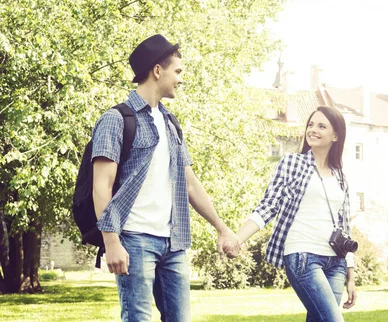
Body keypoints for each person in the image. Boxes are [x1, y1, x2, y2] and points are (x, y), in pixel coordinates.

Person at [91, 34, 240, 322]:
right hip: (134, 239)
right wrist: (111, 242)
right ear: (157, 71)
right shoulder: (116, 119)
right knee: (138, 318)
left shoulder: (170, 123)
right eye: (178, 72)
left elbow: (189, 182)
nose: (181, 79)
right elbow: (102, 186)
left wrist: (221, 227)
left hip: (173, 243)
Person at [235, 106, 358, 322]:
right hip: (303, 256)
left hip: (336, 262)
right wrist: (237, 239)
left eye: (321, 126)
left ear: (336, 135)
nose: (313, 130)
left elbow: (344, 226)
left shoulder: (340, 176)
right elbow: (268, 205)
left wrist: (351, 273)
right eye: (311, 124)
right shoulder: (292, 163)